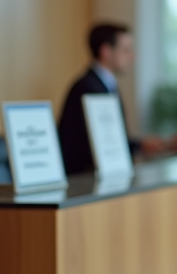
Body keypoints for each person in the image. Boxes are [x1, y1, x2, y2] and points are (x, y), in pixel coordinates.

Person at [58, 22, 163, 175]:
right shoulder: (87, 88)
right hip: (86, 182)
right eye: (126, 50)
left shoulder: (105, 84)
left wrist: (139, 146)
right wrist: (138, 146)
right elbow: (95, 144)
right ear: (106, 51)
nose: (132, 57)